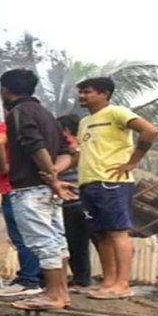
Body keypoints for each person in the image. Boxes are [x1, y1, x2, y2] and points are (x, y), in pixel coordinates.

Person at [0, 69, 74, 311]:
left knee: (43, 242)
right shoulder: (47, 114)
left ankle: (52, 295)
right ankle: (61, 294)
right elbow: (70, 152)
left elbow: (33, 144)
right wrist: (53, 174)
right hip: (44, 188)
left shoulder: (18, 113)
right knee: (56, 240)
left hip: (29, 189)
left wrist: (50, 175)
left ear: (5, 89)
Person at [76, 77, 158, 300]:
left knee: (117, 232)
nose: (82, 96)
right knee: (100, 234)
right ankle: (108, 281)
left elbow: (150, 131)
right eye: (80, 92)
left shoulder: (117, 112)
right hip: (88, 182)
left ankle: (122, 283)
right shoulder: (85, 122)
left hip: (111, 181)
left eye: (87, 92)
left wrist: (133, 162)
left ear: (104, 93)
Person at [0, 119, 48, 297]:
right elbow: (71, 150)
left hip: (14, 188)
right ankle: (41, 278)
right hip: (39, 188)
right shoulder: (46, 124)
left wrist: (3, 167)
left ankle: (29, 280)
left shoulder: (12, 123)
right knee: (42, 236)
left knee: (23, 236)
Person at [57, 114, 94, 290]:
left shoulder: (73, 149)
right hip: (78, 200)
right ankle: (80, 277)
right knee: (77, 242)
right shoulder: (85, 146)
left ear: (65, 130)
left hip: (74, 200)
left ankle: (81, 279)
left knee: (76, 242)